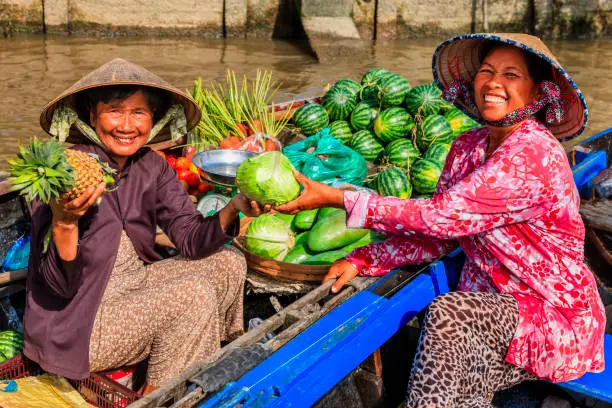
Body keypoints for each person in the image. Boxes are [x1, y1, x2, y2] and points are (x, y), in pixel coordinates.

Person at [275, 33, 606, 406]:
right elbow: (440, 239)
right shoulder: (468, 147)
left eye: (511, 75)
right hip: (492, 312)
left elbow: (440, 217)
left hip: (551, 318)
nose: (494, 83)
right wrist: (367, 258)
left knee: (448, 316)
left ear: (537, 94)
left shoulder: (534, 155)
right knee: (458, 366)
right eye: (487, 71)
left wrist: (337, 196)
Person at [24, 58, 263, 393]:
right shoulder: (63, 173)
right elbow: (59, 288)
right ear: (92, 116)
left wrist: (235, 207)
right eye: (115, 111)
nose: (127, 125)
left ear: (153, 119)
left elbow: (191, 239)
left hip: (132, 285)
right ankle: (154, 398)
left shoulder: (152, 166)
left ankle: (198, 364)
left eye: (138, 112)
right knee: (192, 294)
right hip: (78, 320)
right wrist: (65, 222)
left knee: (228, 262)